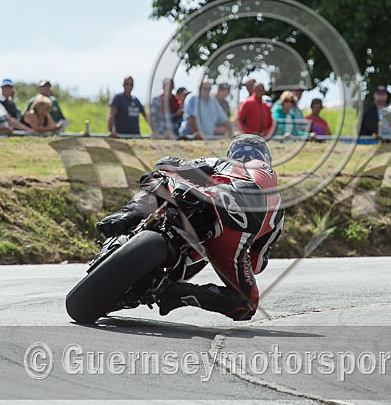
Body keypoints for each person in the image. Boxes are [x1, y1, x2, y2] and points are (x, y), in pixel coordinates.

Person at [95, 135, 284, 321]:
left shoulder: (223, 163)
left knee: (158, 177)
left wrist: (173, 173)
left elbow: (167, 164)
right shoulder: (278, 208)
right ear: (267, 159)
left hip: (207, 199)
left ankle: (127, 215)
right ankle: (176, 293)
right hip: (230, 237)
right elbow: (257, 263)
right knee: (246, 305)